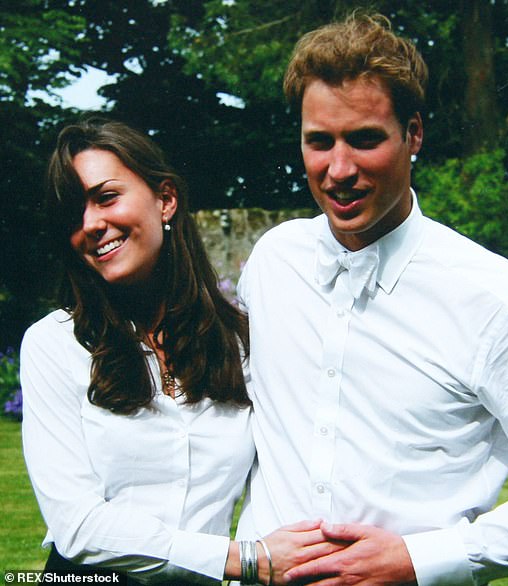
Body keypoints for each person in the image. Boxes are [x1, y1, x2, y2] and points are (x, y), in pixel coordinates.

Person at [235, 13, 508, 585]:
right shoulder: (273, 261)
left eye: (365, 139)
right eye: (320, 142)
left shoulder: (499, 299)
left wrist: (418, 561)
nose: (338, 169)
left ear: (414, 133)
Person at [20, 118, 338, 585]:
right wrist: (242, 559)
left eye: (106, 197)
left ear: (165, 199)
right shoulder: (54, 344)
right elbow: (78, 526)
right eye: (73, 213)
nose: (90, 224)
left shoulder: (240, 344)